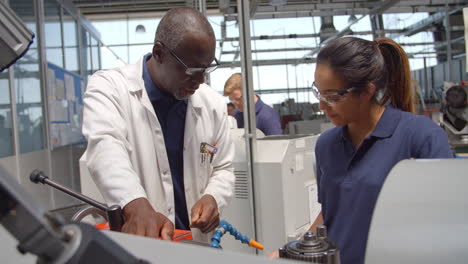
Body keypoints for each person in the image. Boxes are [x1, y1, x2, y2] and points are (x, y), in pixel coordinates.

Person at [269, 37, 453, 262]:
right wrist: (292, 251)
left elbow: (446, 226)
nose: (322, 105)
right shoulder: (326, 145)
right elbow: (332, 213)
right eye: (319, 92)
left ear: (367, 91)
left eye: (333, 96)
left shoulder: (421, 136)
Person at [82, 7, 235, 243]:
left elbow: (223, 167)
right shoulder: (109, 88)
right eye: (192, 70)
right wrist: (134, 203)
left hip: (194, 244)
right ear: (159, 53)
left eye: (206, 68)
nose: (200, 80)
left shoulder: (212, 104)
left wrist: (213, 196)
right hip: (142, 243)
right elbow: (105, 148)